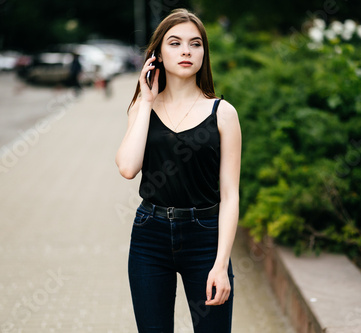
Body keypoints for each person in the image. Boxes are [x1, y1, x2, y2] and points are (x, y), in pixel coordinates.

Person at [115, 8, 242, 333]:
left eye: (195, 43)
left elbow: (230, 195)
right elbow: (128, 168)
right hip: (150, 235)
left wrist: (221, 263)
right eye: (175, 43)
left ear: (203, 53)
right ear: (157, 54)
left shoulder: (223, 113)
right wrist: (145, 101)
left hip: (205, 237)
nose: (186, 50)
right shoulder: (143, 108)